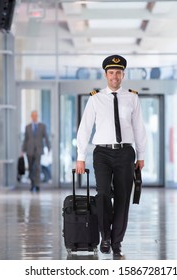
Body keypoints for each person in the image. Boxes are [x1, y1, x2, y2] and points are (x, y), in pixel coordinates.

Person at [75, 54, 147, 258]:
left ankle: (117, 242)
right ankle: (105, 236)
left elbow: (139, 127)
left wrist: (141, 154)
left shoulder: (132, 97)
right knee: (103, 194)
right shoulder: (95, 98)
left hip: (125, 152)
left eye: (118, 72)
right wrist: (80, 156)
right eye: (111, 72)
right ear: (106, 75)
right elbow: (85, 127)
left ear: (123, 74)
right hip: (102, 153)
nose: (114, 76)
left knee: (123, 198)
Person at [22, 110, 50, 192]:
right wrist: (23, 150)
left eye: (36, 115)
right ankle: (32, 184)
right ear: (31, 117)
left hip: (38, 150)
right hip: (29, 150)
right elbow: (25, 139)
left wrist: (48, 147)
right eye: (33, 115)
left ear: (37, 116)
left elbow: (46, 137)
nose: (34, 117)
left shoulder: (42, 126)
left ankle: (37, 185)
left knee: (37, 167)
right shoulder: (27, 127)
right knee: (31, 168)